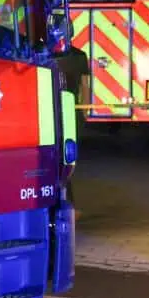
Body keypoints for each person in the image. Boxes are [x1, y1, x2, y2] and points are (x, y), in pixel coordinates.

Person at [54, 42, 89, 217]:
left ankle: (66, 205)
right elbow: (85, 86)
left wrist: (84, 110)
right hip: (70, 112)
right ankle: (68, 205)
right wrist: (85, 110)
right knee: (67, 161)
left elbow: (85, 86)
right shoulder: (79, 56)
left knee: (61, 160)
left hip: (57, 111)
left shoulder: (49, 55)